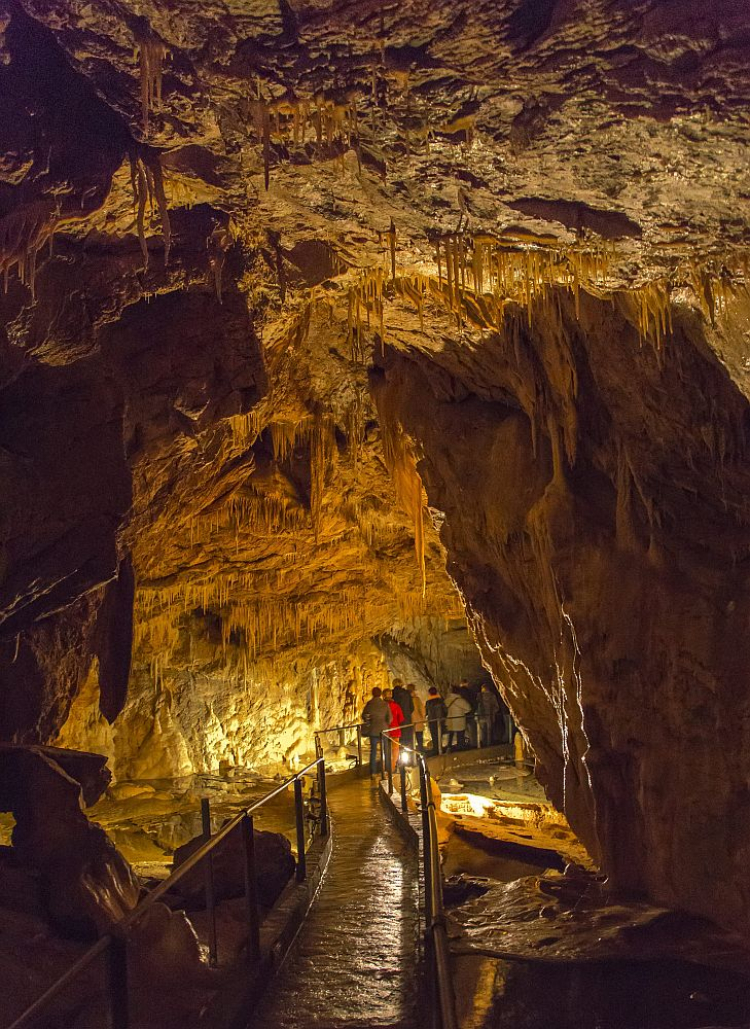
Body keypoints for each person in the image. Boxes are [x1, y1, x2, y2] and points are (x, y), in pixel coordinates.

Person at [361, 687, 392, 776]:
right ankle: (387, 770)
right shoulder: (385, 704)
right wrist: (385, 723)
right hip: (384, 730)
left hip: (373, 730)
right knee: (386, 751)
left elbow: (364, 716)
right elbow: (390, 718)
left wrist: (370, 722)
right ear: (380, 694)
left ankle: (373, 772)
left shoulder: (369, 704)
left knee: (373, 752)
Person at [383, 687, 405, 769]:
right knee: (395, 750)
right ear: (391, 695)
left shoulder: (382, 706)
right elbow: (401, 718)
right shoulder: (396, 706)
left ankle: (387, 767)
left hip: (385, 731)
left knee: (386, 750)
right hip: (395, 730)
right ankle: (392, 767)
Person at [445, 686, 472, 751]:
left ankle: (449, 748)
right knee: (460, 735)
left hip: (450, 721)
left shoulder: (447, 700)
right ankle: (460, 748)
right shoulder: (461, 701)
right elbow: (469, 708)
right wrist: (463, 712)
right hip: (459, 720)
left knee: (450, 735)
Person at [392, 679, 414, 752]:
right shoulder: (407, 693)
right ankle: (410, 757)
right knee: (407, 740)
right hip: (407, 719)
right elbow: (412, 708)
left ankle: (398, 758)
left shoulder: (392, 694)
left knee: (397, 741)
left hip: (396, 721)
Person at [425, 686, 447, 755]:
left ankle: (436, 750)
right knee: (439, 735)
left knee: (434, 736)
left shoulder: (428, 702)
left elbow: (426, 713)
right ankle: (440, 749)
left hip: (432, 721)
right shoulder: (441, 701)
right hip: (440, 720)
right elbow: (445, 710)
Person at [459, 678, 479, 747]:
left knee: (462, 731)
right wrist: (473, 710)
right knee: (472, 730)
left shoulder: (459, 693)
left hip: (461, 714)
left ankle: (462, 745)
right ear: (466, 683)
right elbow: (475, 702)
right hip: (470, 713)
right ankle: (474, 744)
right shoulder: (470, 692)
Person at [408, 683, 426, 753]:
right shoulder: (417, 700)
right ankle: (421, 752)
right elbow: (422, 710)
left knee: (411, 741)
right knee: (419, 739)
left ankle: (412, 754)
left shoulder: (406, 700)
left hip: (409, 723)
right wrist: (423, 718)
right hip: (418, 722)